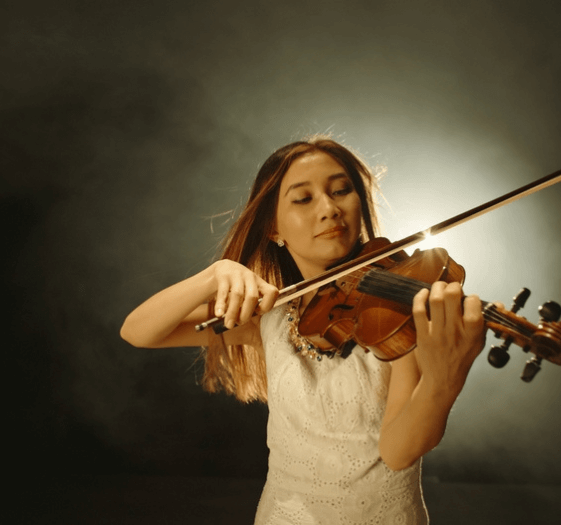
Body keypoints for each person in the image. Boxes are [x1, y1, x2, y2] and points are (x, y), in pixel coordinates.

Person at [120, 136, 486, 524]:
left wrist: (446, 379)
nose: (329, 208)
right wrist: (215, 274)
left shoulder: (394, 313)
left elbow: (397, 451)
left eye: (341, 191)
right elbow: (139, 331)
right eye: (303, 198)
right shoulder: (268, 315)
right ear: (274, 228)